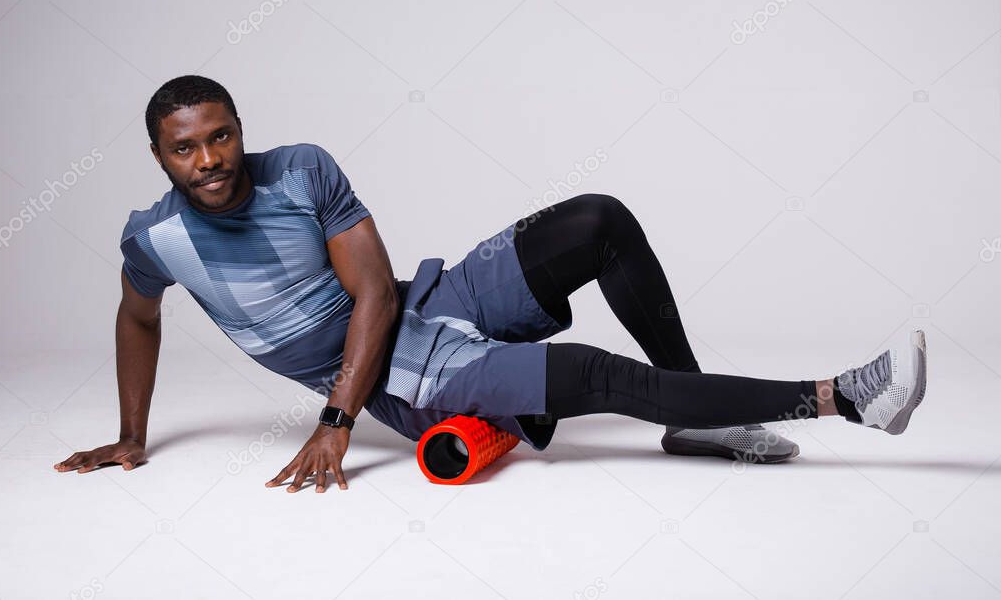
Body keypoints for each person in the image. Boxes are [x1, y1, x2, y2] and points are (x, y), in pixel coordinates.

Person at [53, 75, 929, 493]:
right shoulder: (156, 238)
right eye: (185, 147)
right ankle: (847, 398)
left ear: (241, 130)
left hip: (416, 306)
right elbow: (137, 319)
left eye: (220, 137)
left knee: (598, 219)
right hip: (396, 378)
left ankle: (701, 421)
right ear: (159, 156)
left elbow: (377, 296)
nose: (209, 160)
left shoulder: (301, 169)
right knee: (593, 372)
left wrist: (328, 425)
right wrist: (133, 435)